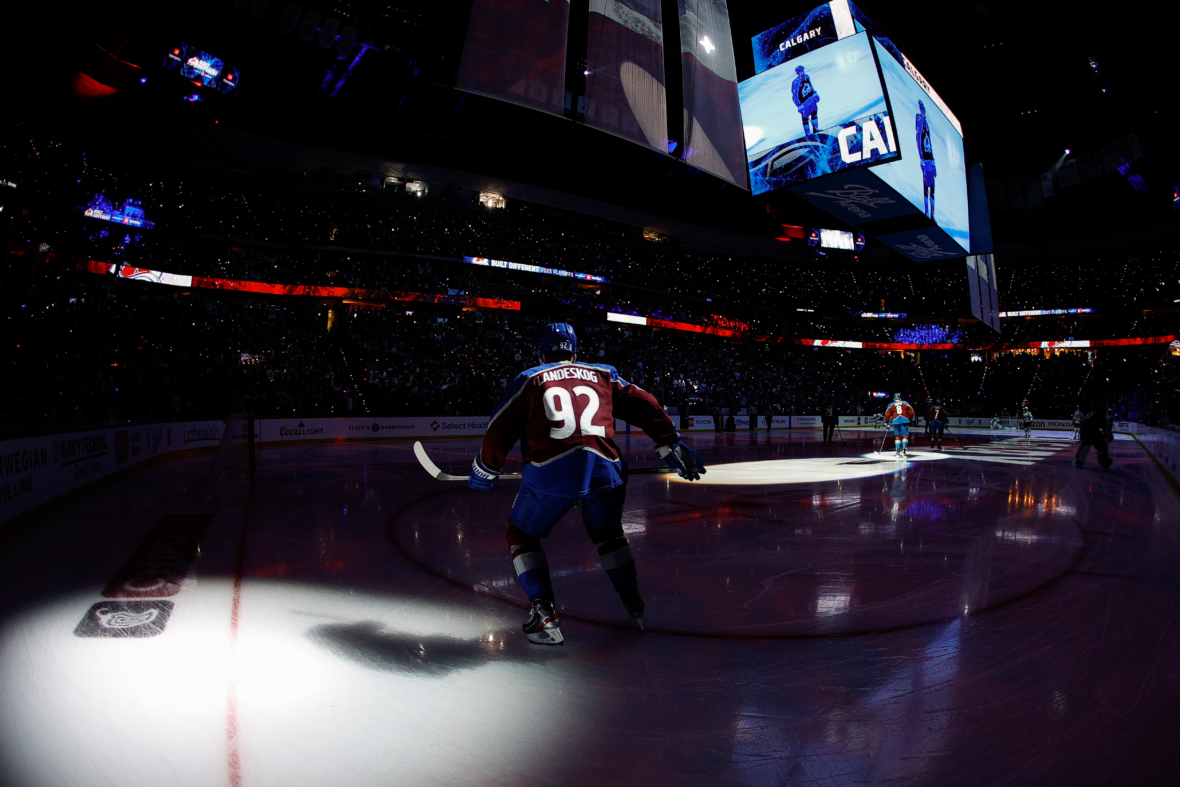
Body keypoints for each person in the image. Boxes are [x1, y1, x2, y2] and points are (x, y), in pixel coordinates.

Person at [468, 323, 706, 645]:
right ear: (574, 351)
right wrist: (669, 442)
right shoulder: (604, 374)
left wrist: (486, 466)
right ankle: (632, 600)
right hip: (605, 470)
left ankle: (545, 613)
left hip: (550, 472)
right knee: (610, 535)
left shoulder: (530, 378)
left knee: (522, 534)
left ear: (542, 353)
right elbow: (645, 403)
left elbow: (501, 427)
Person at [1075, 394, 1112, 470]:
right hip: (1092, 430)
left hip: (1085, 430)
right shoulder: (1100, 414)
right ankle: (1104, 463)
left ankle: (1079, 461)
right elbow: (1103, 425)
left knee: (1085, 445)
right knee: (1101, 445)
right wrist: (1108, 433)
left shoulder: (1090, 413)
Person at [916, 99, 936, 219]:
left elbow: (930, 143)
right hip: (925, 159)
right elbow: (919, 140)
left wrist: (933, 160)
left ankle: (932, 213)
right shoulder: (919, 123)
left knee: (932, 187)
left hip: (930, 159)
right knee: (926, 186)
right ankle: (926, 212)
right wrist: (921, 158)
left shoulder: (926, 125)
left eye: (925, 112)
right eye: (922, 111)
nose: (924, 114)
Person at [884, 392, 915, 458]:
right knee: (905, 436)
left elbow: (887, 414)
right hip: (904, 421)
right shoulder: (905, 403)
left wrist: (886, 423)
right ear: (900, 398)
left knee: (897, 436)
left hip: (896, 421)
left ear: (894, 398)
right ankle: (904, 450)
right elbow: (912, 412)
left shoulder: (891, 404)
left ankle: (897, 451)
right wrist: (909, 418)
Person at [792, 65, 820, 135]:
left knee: (814, 113)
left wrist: (815, 94)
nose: (803, 72)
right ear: (798, 73)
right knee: (805, 117)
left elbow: (810, 86)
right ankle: (807, 133)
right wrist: (799, 105)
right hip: (803, 102)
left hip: (810, 99)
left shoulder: (807, 77)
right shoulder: (796, 83)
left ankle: (816, 129)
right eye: (801, 71)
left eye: (803, 70)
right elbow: (795, 95)